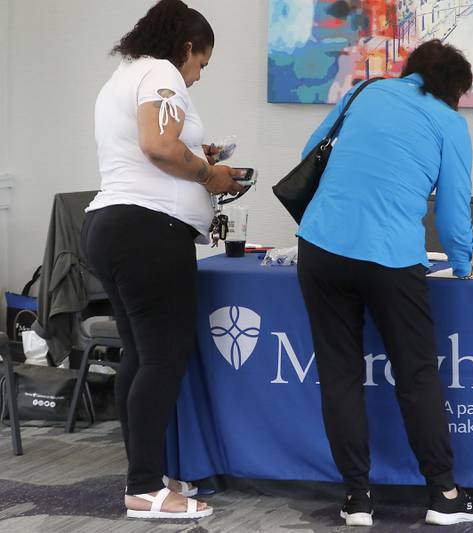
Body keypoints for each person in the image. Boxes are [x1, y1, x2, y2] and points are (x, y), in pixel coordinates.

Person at [295, 40, 473, 527]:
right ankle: (443, 495)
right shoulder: (450, 123)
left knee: (339, 374)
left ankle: (356, 499)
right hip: (389, 256)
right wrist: (465, 264)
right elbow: (451, 213)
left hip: (320, 245)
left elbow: (309, 155)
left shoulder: (365, 91)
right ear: (454, 89)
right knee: (416, 374)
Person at [81, 0, 242, 520]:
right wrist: (208, 176)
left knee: (139, 355)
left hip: (111, 225)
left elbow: (153, 145)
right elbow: (158, 146)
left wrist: (200, 155)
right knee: (162, 358)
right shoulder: (161, 71)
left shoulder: (123, 75)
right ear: (188, 47)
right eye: (201, 65)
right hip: (147, 230)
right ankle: (145, 488)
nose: (195, 79)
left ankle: (145, 475)